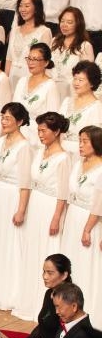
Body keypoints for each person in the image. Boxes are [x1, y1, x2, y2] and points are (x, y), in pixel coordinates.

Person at [14, 112, 72, 316]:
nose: (40, 134)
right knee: (32, 249)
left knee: (47, 247)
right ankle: (28, 297)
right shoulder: (40, 152)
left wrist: (56, 217)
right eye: (38, 130)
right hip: (36, 204)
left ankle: (50, 305)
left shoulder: (64, 158)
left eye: (44, 130)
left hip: (50, 207)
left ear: (56, 132)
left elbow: (63, 193)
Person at [0, 103, 33, 311]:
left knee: (10, 241)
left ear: (19, 122)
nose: (3, 121)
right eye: (2, 117)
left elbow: (25, 183)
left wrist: (21, 209)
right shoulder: (1, 140)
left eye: (8, 118)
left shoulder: (24, 147)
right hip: (0, 193)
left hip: (13, 195)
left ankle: (9, 290)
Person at [62, 126, 102, 318]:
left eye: (85, 141)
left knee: (86, 264)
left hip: (90, 221)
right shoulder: (79, 164)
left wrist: (87, 229)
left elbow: (99, 204)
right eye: (80, 140)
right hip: (73, 217)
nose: (81, 145)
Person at [13, 43, 62, 149]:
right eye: (29, 59)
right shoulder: (22, 81)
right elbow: (13, 109)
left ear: (46, 62)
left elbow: (52, 120)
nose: (30, 63)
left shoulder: (50, 86)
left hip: (37, 138)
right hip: (17, 134)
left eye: (35, 59)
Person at [51, 7, 96, 99]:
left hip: (72, 93)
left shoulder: (85, 46)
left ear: (78, 24)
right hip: (52, 89)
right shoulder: (54, 41)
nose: (64, 25)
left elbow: (87, 76)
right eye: (62, 21)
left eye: (69, 22)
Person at [60, 61, 102, 155]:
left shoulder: (97, 107)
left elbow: (95, 139)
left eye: (81, 80)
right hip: (62, 151)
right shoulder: (67, 102)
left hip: (81, 154)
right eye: (75, 79)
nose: (76, 83)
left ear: (91, 83)